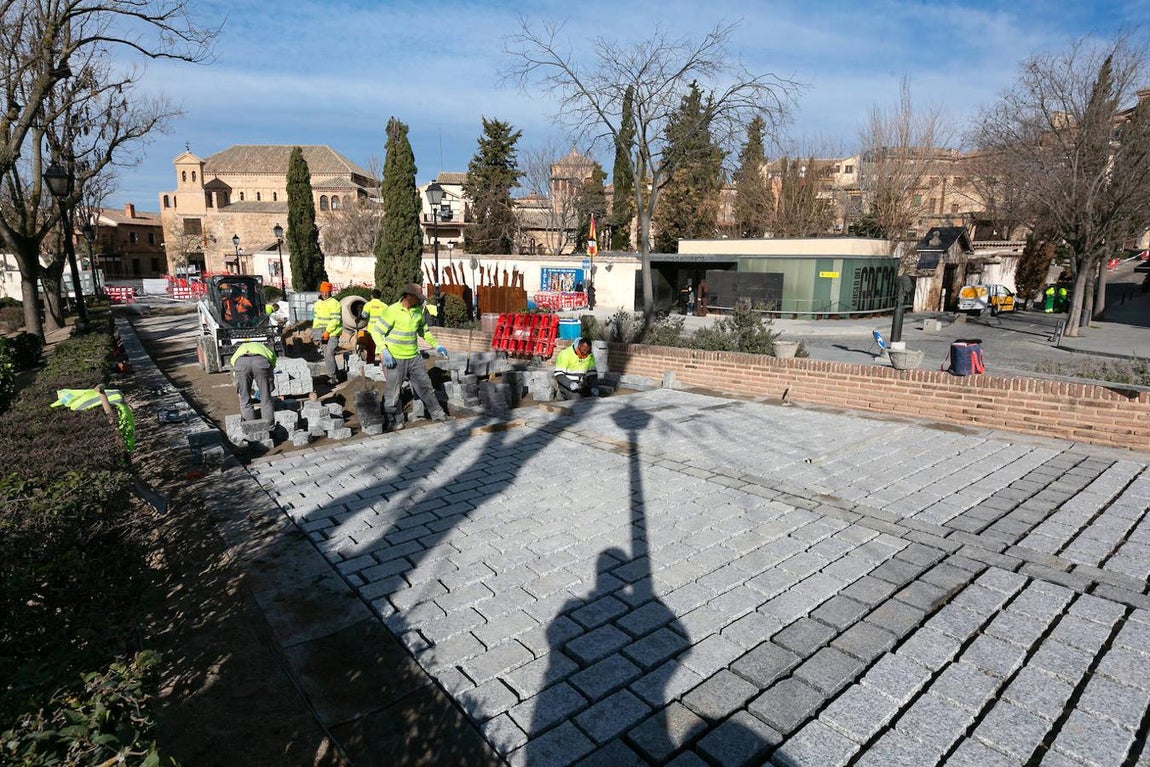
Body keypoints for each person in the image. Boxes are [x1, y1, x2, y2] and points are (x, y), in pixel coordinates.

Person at [371, 282, 450, 430]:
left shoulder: (417, 312)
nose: (420, 300)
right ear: (408, 296)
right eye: (417, 297)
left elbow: (424, 331)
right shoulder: (391, 311)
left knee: (426, 387)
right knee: (393, 392)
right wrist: (384, 351)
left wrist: (436, 345)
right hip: (395, 359)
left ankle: (438, 414)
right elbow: (376, 332)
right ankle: (392, 421)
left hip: (414, 358)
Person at [229, 341, 276, 426]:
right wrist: (270, 381)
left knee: (245, 399)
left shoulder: (241, 348)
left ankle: (250, 427)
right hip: (261, 361)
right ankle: (269, 426)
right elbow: (272, 362)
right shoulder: (263, 347)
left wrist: (237, 381)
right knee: (266, 398)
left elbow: (233, 362)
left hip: (241, 363)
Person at [311, 281, 343, 381]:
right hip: (321, 333)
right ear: (320, 292)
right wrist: (315, 334)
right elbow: (316, 319)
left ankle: (331, 377)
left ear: (330, 292)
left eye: (327, 292)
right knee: (327, 355)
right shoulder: (317, 304)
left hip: (333, 333)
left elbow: (335, 320)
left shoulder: (335, 304)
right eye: (323, 292)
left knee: (329, 353)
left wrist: (328, 332)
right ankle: (336, 374)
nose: (324, 294)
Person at [360, 288, 387, 363]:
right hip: (382, 329)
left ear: (372, 296)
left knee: (371, 348)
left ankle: (370, 362)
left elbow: (364, 316)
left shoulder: (368, 304)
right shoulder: (384, 305)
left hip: (371, 330)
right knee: (381, 347)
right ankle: (384, 362)